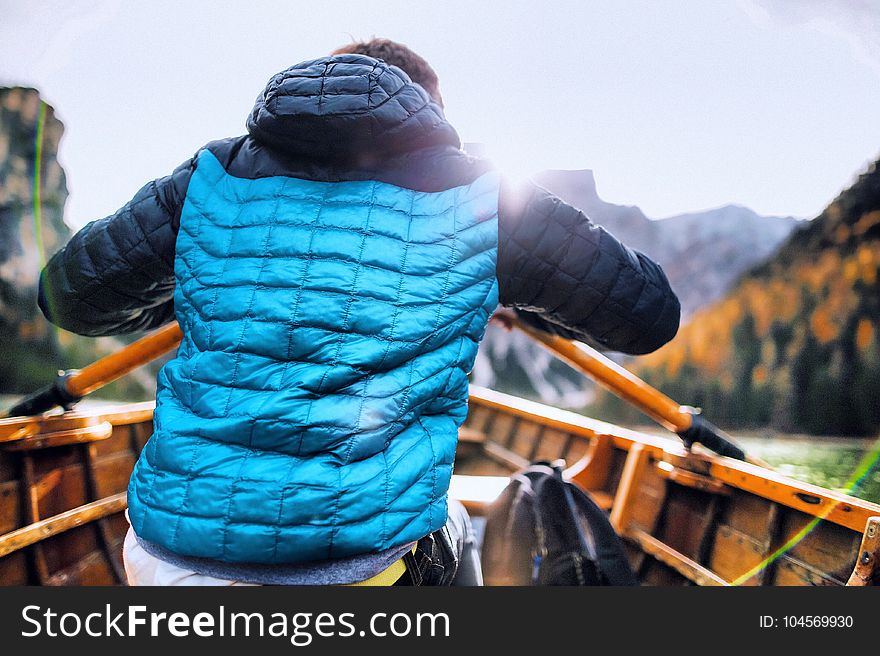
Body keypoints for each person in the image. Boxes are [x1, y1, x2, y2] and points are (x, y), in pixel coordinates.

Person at [37, 38, 680, 586]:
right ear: (427, 106)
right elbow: (648, 315)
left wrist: (199, 282)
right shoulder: (483, 194)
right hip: (354, 571)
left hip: (167, 559)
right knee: (452, 523)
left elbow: (68, 296)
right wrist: (502, 278)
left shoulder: (208, 175)